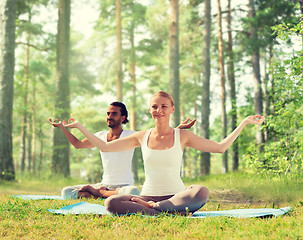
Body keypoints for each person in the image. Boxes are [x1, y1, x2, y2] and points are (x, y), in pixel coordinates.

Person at [59, 91, 264, 215]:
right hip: (147, 195)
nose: (159, 110)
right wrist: (78, 126)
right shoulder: (141, 136)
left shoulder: (182, 136)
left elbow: (221, 147)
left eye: (164, 106)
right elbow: (105, 147)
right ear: (150, 110)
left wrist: (244, 123)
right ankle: (166, 211)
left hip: (176, 196)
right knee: (111, 202)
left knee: (201, 191)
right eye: (155, 107)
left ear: (172, 109)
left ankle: (155, 209)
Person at [49, 101, 196, 200]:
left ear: (122, 117)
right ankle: (101, 192)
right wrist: (62, 128)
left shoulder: (130, 135)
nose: (109, 117)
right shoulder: (100, 136)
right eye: (108, 113)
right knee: (66, 192)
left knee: (133, 192)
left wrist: (178, 129)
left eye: (114, 114)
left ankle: (98, 194)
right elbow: (78, 144)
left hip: (123, 187)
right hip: (104, 184)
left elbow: (158, 138)